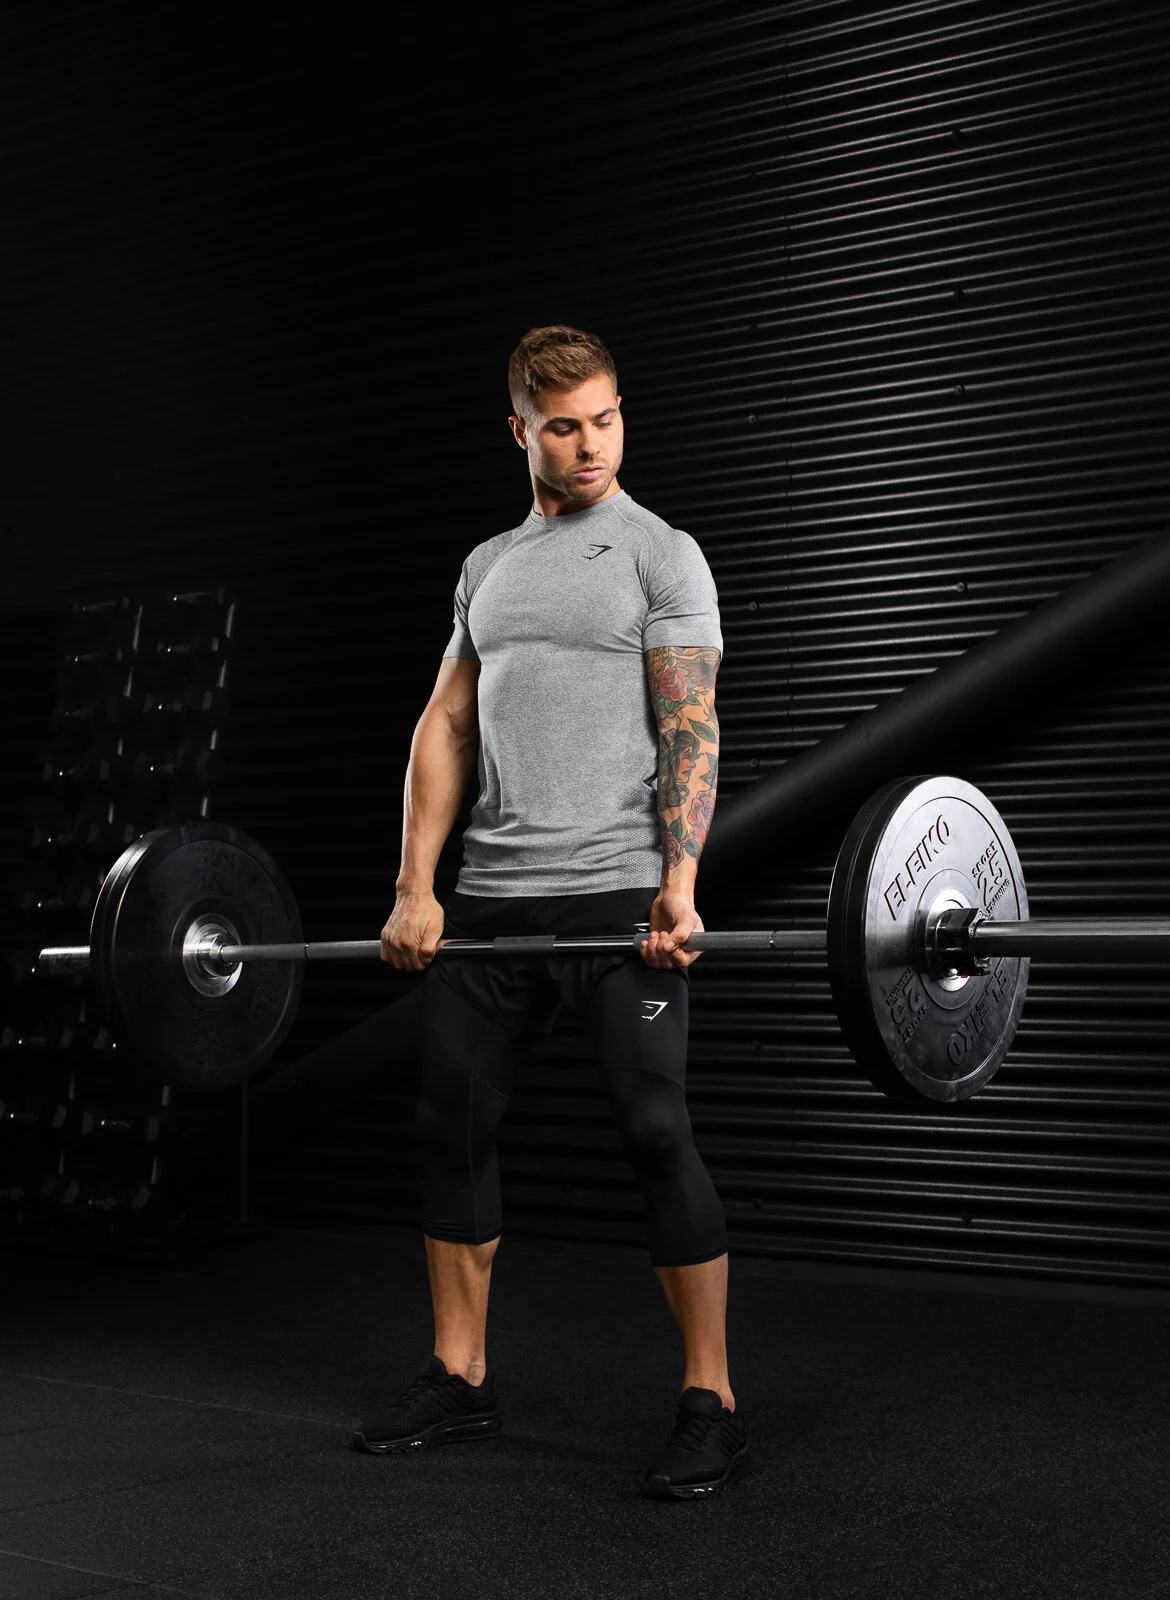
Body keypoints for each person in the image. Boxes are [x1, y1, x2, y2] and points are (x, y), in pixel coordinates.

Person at [351, 324, 750, 1499]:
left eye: (607, 418)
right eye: (564, 425)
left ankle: (711, 1399)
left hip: (620, 899)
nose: (590, 445)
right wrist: (414, 886)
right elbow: (445, 726)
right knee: (451, 1120)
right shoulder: (487, 569)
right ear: (519, 429)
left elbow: (690, 724)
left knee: (651, 1127)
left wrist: (678, 884)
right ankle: (460, 1377)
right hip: (492, 904)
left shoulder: (659, 555)